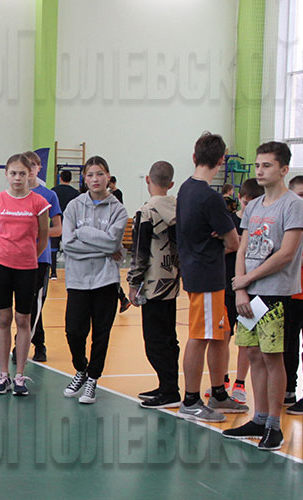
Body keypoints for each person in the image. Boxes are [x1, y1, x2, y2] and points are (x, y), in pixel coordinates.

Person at [224, 141, 303, 450]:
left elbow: (286, 254)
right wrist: (241, 288)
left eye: (267, 165)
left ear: (284, 169)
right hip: (248, 296)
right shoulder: (254, 206)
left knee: (274, 360)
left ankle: (274, 425)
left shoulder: (293, 205)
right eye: (258, 165)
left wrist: (247, 279)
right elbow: (243, 248)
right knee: (254, 357)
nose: (260, 170)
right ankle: (258, 418)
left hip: (275, 295)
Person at [175, 132, 245, 423]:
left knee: (220, 335)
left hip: (201, 272)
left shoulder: (185, 189)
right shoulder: (210, 197)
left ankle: (218, 393)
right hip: (205, 274)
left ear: (194, 157)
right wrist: (224, 236)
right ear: (221, 161)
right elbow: (234, 243)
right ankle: (190, 400)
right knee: (201, 336)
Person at [60, 156, 127, 404]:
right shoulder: (74, 207)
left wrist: (84, 234)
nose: (95, 179)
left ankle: (93, 379)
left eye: (100, 174)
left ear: (108, 176)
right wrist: (105, 249)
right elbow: (68, 245)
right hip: (77, 280)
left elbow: (113, 241)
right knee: (73, 331)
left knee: (101, 333)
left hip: (106, 280)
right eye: (90, 175)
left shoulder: (118, 209)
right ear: (84, 178)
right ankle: (81, 368)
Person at [0, 154, 50, 395]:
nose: (17, 177)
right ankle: (4, 375)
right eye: (13, 173)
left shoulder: (39, 202)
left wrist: (29, 254)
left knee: (23, 321)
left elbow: (43, 236)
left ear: (30, 174)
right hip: (1, 266)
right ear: (6, 174)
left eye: (22, 173)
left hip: (27, 268)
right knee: (3, 320)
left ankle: (20, 375)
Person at [128, 161, 181, 409]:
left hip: (152, 284)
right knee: (169, 338)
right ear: (170, 184)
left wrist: (133, 283)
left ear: (148, 180)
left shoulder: (146, 211)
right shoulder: (177, 209)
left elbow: (139, 252)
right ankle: (168, 385)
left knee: (155, 341)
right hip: (171, 281)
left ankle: (169, 390)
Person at [224, 178, 264, 403]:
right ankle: (222, 379)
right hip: (227, 288)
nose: (249, 207)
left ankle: (240, 383)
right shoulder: (229, 222)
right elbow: (223, 247)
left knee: (247, 340)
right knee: (223, 337)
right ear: (239, 199)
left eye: (254, 203)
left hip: (253, 290)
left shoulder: (260, 226)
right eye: (246, 203)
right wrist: (234, 242)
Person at [22, 150, 62, 363]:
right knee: (22, 304)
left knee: (35, 304)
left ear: (39, 168)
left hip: (39, 258)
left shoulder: (49, 195)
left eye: (32, 167)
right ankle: (25, 340)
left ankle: (36, 344)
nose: (28, 171)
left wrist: (37, 231)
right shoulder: (15, 194)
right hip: (17, 258)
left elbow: (57, 229)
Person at [285, 174, 303, 415]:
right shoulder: (286, 219)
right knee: (287, 345)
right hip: (287, 294)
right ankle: (287, 390)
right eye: (300, 195)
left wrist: (290, 260)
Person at [51, 170, 80, 279]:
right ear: (70, 179)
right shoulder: (75, 193)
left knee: (53, 249)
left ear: (60, 178)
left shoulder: (54, 191)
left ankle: (53, 273)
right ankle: (71, 273)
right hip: (70, 224)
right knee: (70, 249)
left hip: (55, 223)